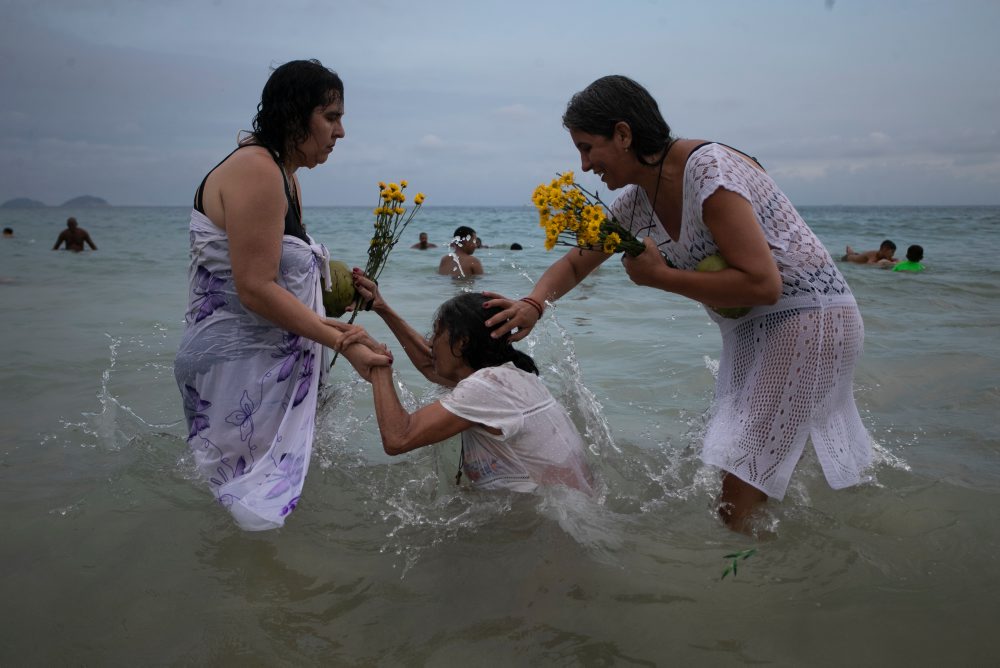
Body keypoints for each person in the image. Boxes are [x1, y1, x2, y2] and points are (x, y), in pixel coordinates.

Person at [485, 75, 871, 533]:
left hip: (808, 318)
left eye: (589, 148)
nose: (585, 165)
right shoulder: (635, 205)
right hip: (756, 330)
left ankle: (746, 576)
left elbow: (763, 284)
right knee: (743, 463)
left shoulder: (710, 171)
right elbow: (574, 264)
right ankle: (795, 552)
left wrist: (662, 278)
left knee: (737, 486)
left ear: (624, 135)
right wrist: (533, 304)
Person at [173, 59, 391, 531]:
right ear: (296, 117)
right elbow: (255, 288)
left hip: (262, 362)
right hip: (236, 370)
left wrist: (340, 309)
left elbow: (276, 277)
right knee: (244, 510)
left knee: (257, 503)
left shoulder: (284, 175)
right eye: (331, 118)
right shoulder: (256, 170)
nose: (341, 132)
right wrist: (342, 343)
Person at [349, 275, 594, 495]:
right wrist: (380, 307)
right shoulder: (513, 376)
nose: (432, 343)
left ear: (462, 343)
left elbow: (398, 438)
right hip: (569, 510)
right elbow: (428, 362)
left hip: (545, 520)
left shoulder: (485, 387)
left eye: (436, 334)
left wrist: (378, 367)